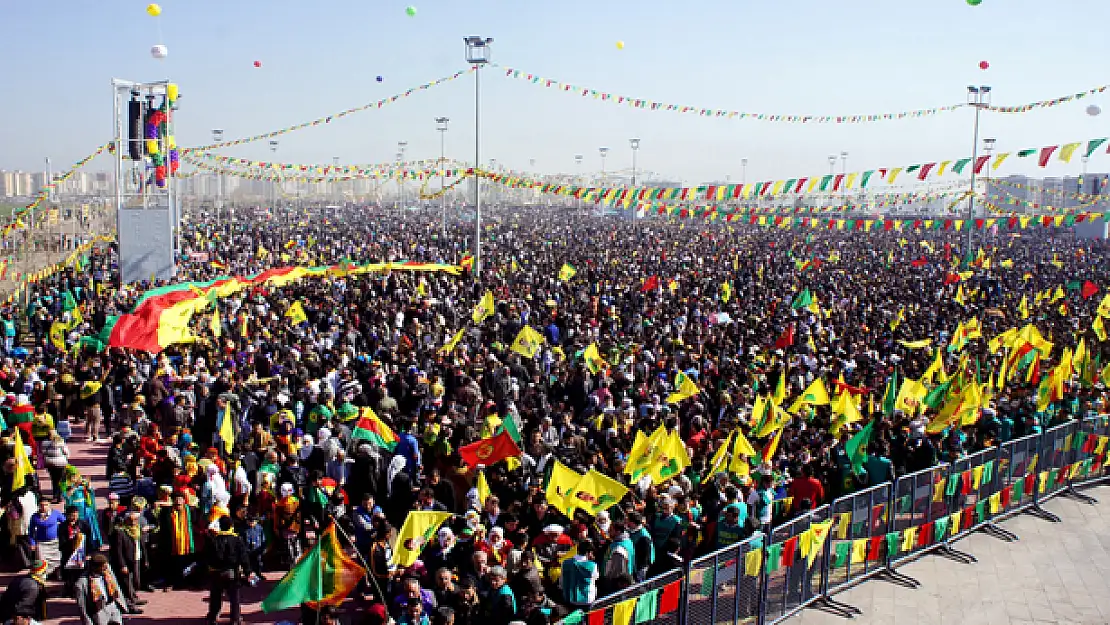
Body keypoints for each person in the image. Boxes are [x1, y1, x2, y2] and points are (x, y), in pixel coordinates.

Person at [204, 516, 249, 625]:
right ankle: (235, 618)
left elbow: (207, 556)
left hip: (216, 572)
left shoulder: (214, 539)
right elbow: (243, 556)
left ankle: (212, 617)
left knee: (215, 596)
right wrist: (247, 571)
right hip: (232, 572)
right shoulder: (236, 539)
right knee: (234, 597)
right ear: (231, 526)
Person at [73, 554, 128, 625]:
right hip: (99, 613)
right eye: (104, 567)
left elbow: (117, 587)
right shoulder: (82, 583)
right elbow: (82, 608)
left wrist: (122, 606)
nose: (106, 569)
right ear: (96, 567)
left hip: (113, 608)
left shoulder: (108, 573)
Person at [28, 500, 65, 580]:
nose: (44, 507)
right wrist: (32, 543)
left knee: (58, 559)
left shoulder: (55, 513)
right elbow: (31, 531)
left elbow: (65, 522)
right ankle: (43, 575)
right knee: (41, 560)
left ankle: (58, 574)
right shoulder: (34, 517)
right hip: (41, 543)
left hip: (55, 542)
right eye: (42, 505)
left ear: (49, 505)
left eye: (46, 505)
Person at [559, 541, 598, 610]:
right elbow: (595, 578)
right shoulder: (592, 565)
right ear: (588, 553)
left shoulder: (565, 563)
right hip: (587, 599)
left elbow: (561, 581)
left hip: (569, 599)